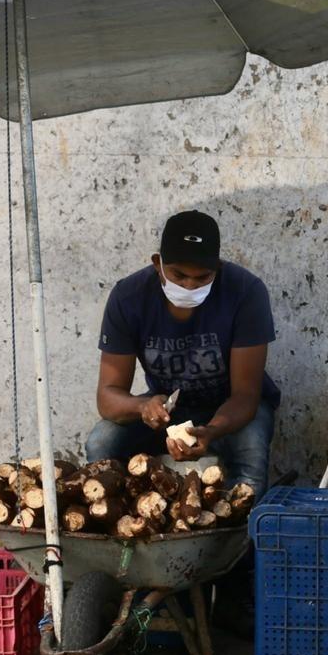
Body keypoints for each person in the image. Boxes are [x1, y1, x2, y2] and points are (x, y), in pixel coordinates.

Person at [85, 210, 278, 497]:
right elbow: (108, 396)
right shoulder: (129, 298)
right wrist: (143, 407)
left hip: (231, 411)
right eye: (179, 275)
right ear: (157, 264)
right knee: (102, 441)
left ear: (219, 268)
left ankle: (242, 538)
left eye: (202, 278)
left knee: (250, 454)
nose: (189, 285)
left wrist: (211, 431)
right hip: (168, 410)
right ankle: (123, 531)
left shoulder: (245, 292)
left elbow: (246, 396)